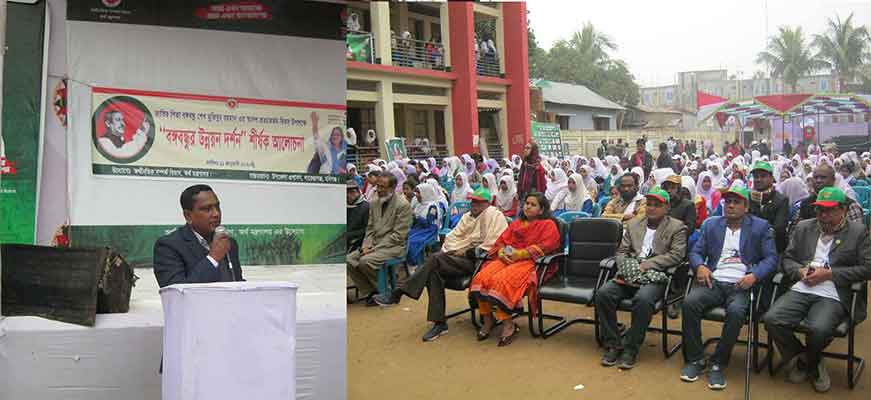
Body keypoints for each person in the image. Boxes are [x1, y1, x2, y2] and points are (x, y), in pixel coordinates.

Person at [764, 187, 871, 393]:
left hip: (833, 291)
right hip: (802, 287)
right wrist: (800, 271)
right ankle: (810, 359)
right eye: (819, 209)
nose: (823, 215)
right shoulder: (804, 227)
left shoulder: (858, 232)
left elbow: (867, 269)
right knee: (772, 319)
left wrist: (830, 274)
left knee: (819, 329)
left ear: (843, 210)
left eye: (829, 210)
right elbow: (787, 258)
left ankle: (807, 363)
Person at [373, 188, 508, 340]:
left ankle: (398, 292)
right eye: (472, 201)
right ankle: (439, 323)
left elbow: (493, 246)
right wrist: (453, 250)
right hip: (453, 257)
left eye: (478, 202)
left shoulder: (494, 215)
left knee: (435, 259)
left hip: (477, 262)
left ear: (487, 203)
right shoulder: (467, 217)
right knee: (433, 272)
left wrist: (465, 251)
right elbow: (452, 238)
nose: (473, 204)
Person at [680, 186, 777, 391]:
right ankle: (696, 359)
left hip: (741, 284)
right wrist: (700, 266)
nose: (730, 205)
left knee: (736, 312)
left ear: (746, 206)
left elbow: (771, 259)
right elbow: (696, 251)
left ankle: (718, 362)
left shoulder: (760, 227)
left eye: (736, 202)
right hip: (714, 281)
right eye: (727, 201)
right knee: (689, 303)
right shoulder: (711, 225)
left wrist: (755, 275)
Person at [596, 186, 688, 369]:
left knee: (643, 299)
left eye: (657, 205)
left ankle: (631, 347)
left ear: (666, 208)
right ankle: (614, 343)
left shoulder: (677, 227)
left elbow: (677, 255)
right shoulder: (634, 224)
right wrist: (628, 267)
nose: (651, 208)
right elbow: (622, 251)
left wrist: (648, 265)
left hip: (656, 275)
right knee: (603, 294)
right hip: (630, 273)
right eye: (649, 204)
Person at [470, 192, 561, 347]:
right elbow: (501, 242)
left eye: (533, 204)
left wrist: (520, 254)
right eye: (527, 203)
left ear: (541, 210)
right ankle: (488, 319)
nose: (528, 206)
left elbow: (547, 246)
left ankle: (508, 324)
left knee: (500, 281)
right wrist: (501, 253)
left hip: (530, 263)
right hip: (507, 259)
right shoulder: (516, 223)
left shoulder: (548, 225)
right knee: (480, 278)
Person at [153, 185, 243, 287]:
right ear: (188, 216)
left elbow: (237, 281)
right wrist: (213, 258)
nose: (216, 214)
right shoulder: (168, 246)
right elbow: (177, 293)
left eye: (217, 207)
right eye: (207, 209)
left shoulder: (228, 243)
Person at [347, 173, 412, 305]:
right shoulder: (374, 202)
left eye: (383, 187)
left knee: (365, 261)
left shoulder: (403, 205)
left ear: (393, 188)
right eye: (377, 186)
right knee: (349, 260)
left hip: (394, 246)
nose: (379, 189)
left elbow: (398, 236)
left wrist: (372, 249)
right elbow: (370, 228)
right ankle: (372, 292)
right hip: (374, 245)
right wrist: (366, 245)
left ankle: (386, 292)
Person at [793, 164, 864, 228]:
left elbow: (856, 234)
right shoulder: (805, 203)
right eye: (815, 177)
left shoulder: (849, 204)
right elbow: (796, 231)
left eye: (823, 177)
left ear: (833, 180)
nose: (818, 180)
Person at [748, 161, 790, 253]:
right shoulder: (748, 197)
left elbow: (779, 229)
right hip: (750, 245)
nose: (758, 179)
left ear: (771, 178)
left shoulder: (781, 200)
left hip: (773, 248)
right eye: (756, 177)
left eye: (763, 176)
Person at [516, 141, 547, 214]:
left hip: (533, 195)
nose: (525, 150)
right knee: (520, 216)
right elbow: (520, 178)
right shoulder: (524, 163)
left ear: (533, 150)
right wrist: (518, 191)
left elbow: (542, 185)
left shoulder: (538, 167)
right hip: (523, 193)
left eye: (528, 148)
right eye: (525, 148)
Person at [347, 180, 370, 252]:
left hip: (356, 241)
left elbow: (367, 229)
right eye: (346, 192)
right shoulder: (344, 204)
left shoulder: (365, 207)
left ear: (358, 192)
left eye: (352, 192)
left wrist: (349, 235)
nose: (348, 195)